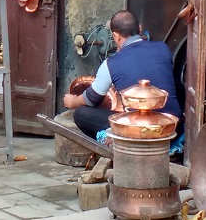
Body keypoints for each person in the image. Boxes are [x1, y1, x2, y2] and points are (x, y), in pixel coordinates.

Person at [62, 10, 182, 139]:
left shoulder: (111, 63)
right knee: (176, 85)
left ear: (116, 36)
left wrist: (73, 101)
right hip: (172, 127)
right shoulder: (163, 48)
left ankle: (112, 145)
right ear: (139, 29)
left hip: (138, 131)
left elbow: (92, 99)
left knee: (81, 114)